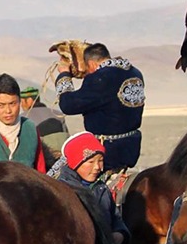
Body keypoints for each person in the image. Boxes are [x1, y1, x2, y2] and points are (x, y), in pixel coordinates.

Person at [54, 43, 145, 188]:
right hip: (131, 148)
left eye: (87, 69)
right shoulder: (135, 73)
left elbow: (68, 105)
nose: (87, 73)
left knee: (55, 176)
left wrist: (64, 74)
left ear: (91, 63)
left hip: (105, 152)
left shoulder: (101, 78)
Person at [49, 132, 130, 244]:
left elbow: (116, 218)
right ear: (75, 163)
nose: (97, 167)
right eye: (91, 162)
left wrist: (120, 234)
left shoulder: (101, 188)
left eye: (100, 160)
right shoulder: (61, 191)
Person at [20, 84, 69, 160]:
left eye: (22, 102)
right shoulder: (58, 114)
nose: (21, 106)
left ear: (29, 100)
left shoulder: (24, 118)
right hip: (63, 156)